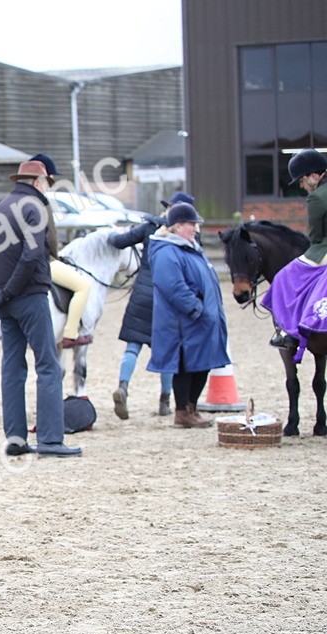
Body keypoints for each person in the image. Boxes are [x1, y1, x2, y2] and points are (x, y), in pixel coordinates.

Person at [0, 159, 82, 457]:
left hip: (5, 304)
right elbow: (33, 255)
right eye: (47, 182)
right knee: (48, 365)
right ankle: (50, 440)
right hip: (30, 296)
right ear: (38, 182)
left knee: (13, 367)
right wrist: (10, 290)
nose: (48, 187)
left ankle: (16, 439)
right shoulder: (33, 208)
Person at [105, 193, 190, 419]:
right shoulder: (184, 236)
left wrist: (112, 232)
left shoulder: (148, 227)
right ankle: (164, 401)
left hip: (141, 292)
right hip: (166, 297)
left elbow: (117, 241)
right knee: (167, 350)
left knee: (133, 346)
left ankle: (123, 386)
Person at [147, 201, 229, 428]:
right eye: (190, 224)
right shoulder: (167, 251)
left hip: (199, 320)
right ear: (176, 226)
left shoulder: (189, 247)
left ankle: (190, 407)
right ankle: (183, 409)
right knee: (185, 365)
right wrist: (196, 308)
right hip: (184, 322)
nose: (195, 228)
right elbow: (172, 286)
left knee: (202, 363)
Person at [262, 148, 327, 356]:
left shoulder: (317, 197)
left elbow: (316, 237)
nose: (301, 185)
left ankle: (288, 333)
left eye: (301, 180)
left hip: (324, 249)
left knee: (283, 277)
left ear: (314, 175)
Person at [30, 153, 94, 348]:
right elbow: (51, 236)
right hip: (43, 261)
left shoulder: (17, 200)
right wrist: (55, 258)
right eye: (51, 178)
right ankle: (71, 333)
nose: (52, 182)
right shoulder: (42, 201)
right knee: (84, 286)